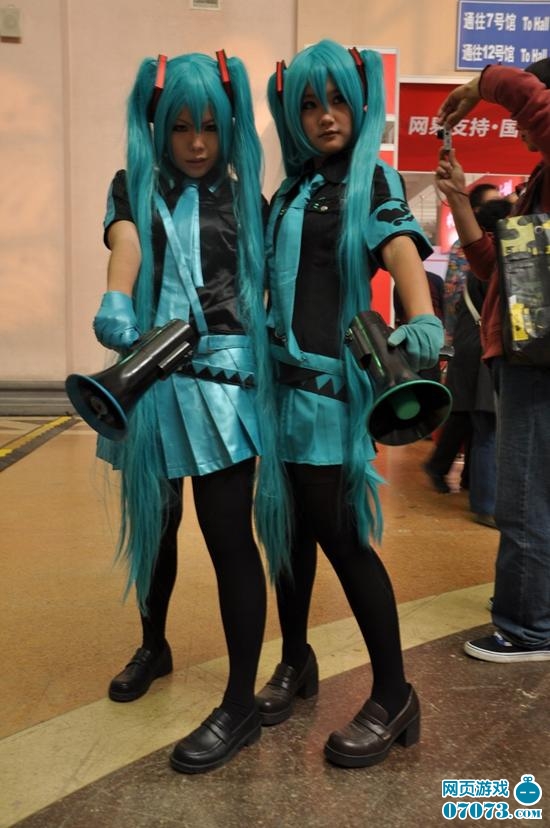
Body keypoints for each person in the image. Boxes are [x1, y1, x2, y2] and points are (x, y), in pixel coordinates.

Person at [93, 50, 284, 773]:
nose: (197, 143)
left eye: (209, 126)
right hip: (150, 376)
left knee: (229, 536)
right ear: (158, 127)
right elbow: (126, 239)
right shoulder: (133, 186)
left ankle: (239, 702)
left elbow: (273, 287)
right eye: (181, 127)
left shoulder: (246, 200)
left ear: (228, 126)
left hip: (224, 387)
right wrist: (117, 296)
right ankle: (154, 644)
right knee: (155, 523)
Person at [254, 40, 444, 768]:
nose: (326, 116)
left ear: (360, 103)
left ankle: (394, 694)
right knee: (288, 535)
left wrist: (421, 316)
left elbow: (399, 248)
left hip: (331, 396)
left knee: (343, 541)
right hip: (278, 395)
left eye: (337, 100)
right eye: (309, 104)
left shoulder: (373, 179)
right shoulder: (288, 192)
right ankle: (295, 660)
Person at [435, 57, 550, 662]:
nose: (520, 123)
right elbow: (495, 268)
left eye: (528, 113)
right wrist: (459, 200)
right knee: (531, 489)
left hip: (536, 360)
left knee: (523, 493)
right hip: (524, 353)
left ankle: (528, 626)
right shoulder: (538, 183)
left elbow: (530, 100)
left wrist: (481, 85)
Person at [423, 184, 500, 495]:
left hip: (475, 335)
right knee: (472, 410)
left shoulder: (488, 245)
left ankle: (467, 475)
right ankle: (449, 470)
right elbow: (454, 295)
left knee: (472, 410)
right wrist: (451, 339)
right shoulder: (468, 247)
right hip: (474, 336)